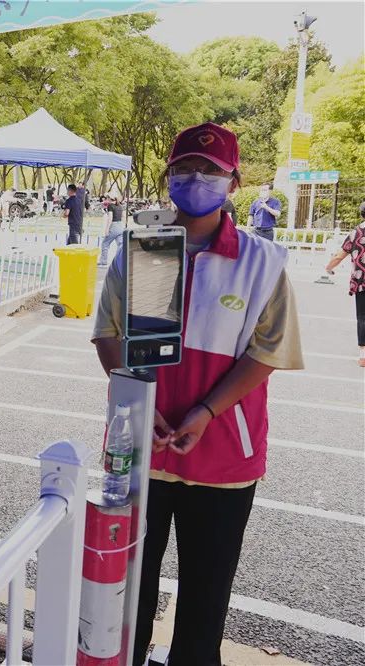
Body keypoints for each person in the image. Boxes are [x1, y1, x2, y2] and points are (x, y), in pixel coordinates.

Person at [91, 122, 303, 666]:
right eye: (184, 167)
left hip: (223, 456)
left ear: (234, 182)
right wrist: (141, 403)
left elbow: (268, 352)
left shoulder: (261, 262)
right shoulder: (146, 250)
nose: (196, 178)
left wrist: (207, 411)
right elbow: (109, 334)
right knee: (128, 587)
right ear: (168, 177)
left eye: (210, 170)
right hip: (141, 449)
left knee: (206, 596)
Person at [323, 201, 365, 367]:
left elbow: (339, 255)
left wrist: (328, 268)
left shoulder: (356, 233)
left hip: (361, 280)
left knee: (362, 317)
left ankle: (363, 355)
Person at [98, 195, 125, 267]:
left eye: (107, 199)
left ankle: (103, 261)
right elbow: (123, 217)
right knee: (120, 245)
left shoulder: (110, 206)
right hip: (121, 226)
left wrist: (107, 229)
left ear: (110, 199)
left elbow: (110, 218)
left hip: (114, 225)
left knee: (105, 243)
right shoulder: (120, 206)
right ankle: (119, 261)